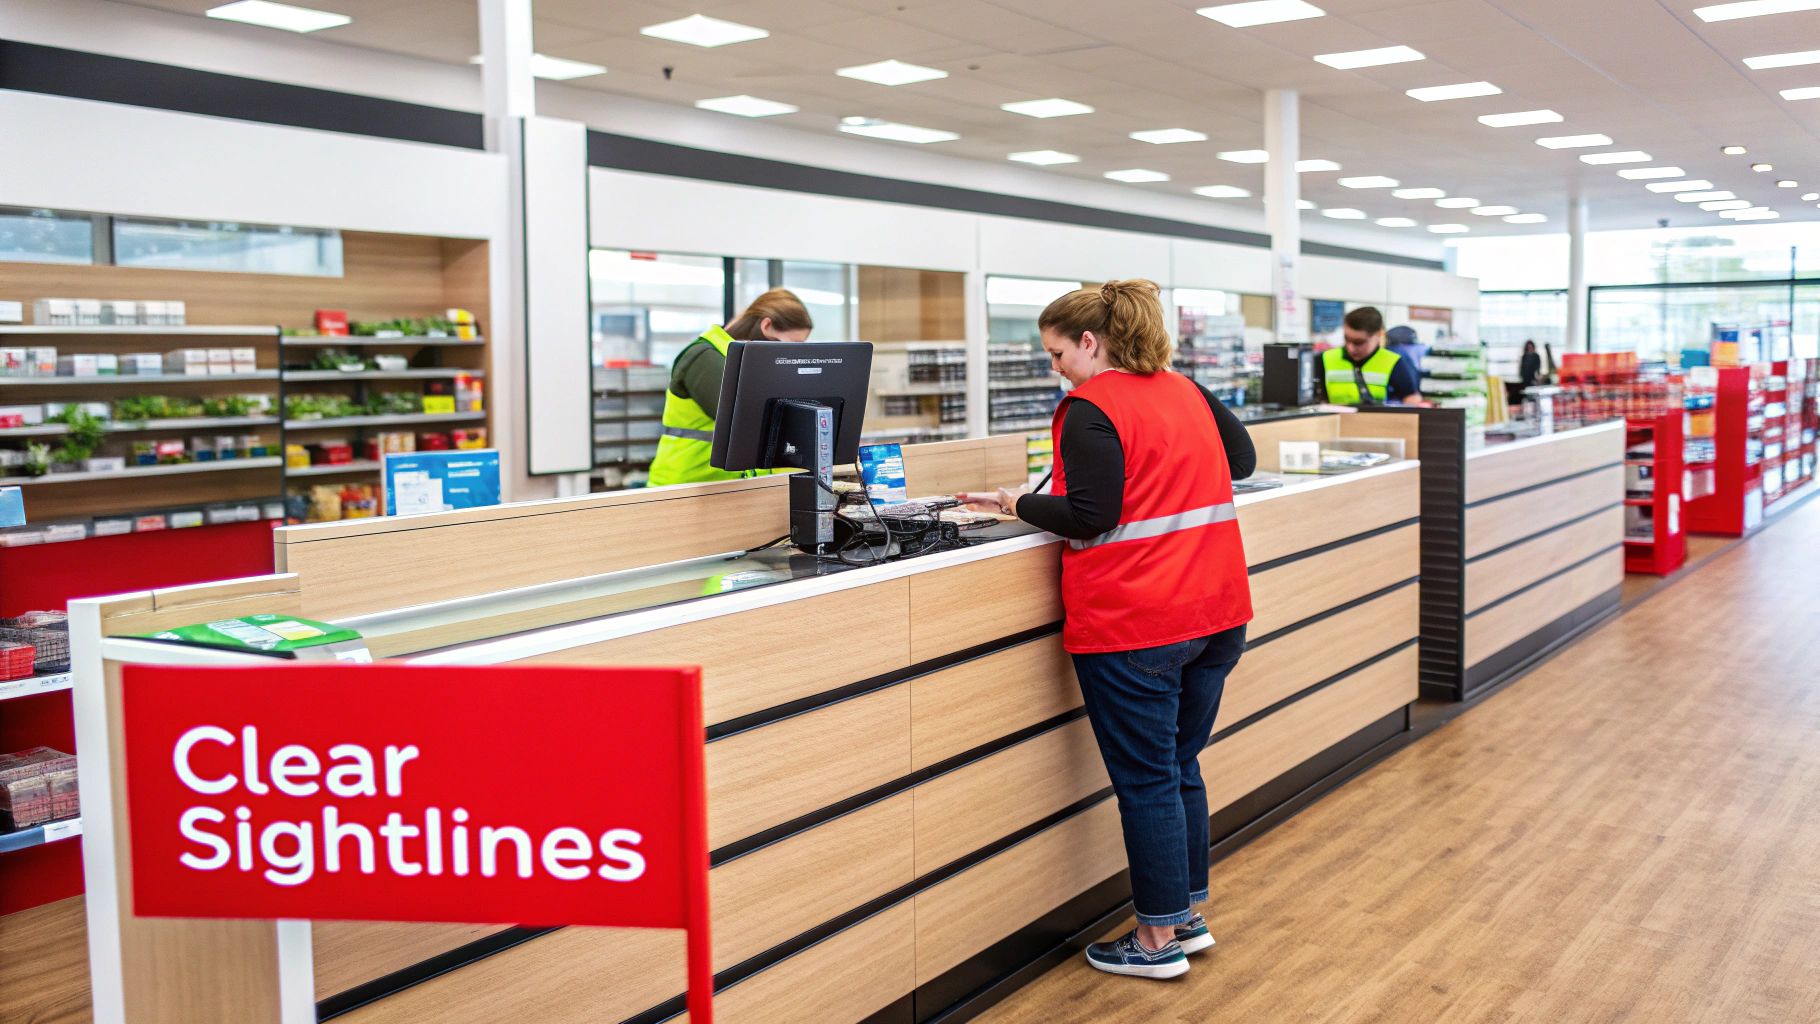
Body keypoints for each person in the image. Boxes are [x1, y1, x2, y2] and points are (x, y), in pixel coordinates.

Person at [960, 280, 1256, 981]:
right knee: (1179, 767)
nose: (1054, 367)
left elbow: (1090, 514)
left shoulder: (1090, 407)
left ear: (1089, 342)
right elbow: (1239, 462)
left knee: (1149, 780)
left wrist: (1017, 503)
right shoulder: (1185, 390)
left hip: (1139, 622)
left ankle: (1156, 944)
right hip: (1217, 614)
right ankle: (1184, 915)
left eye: (1057, 352)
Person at [646, 289, 813, 486]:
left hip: (729, 487)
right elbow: (743, 421)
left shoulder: (750, 361)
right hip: (685, 488)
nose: (794, 353)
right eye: (793, 344)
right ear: (766, 326)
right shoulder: (705, 357)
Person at [1314, 306, 1427, 406]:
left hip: (1379, 427)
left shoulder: (1393, 362)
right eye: (1346, 339)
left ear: (1378, 335)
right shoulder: (1325, 359)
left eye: (1359, 342)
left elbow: (1411, 400)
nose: (1351, 348)